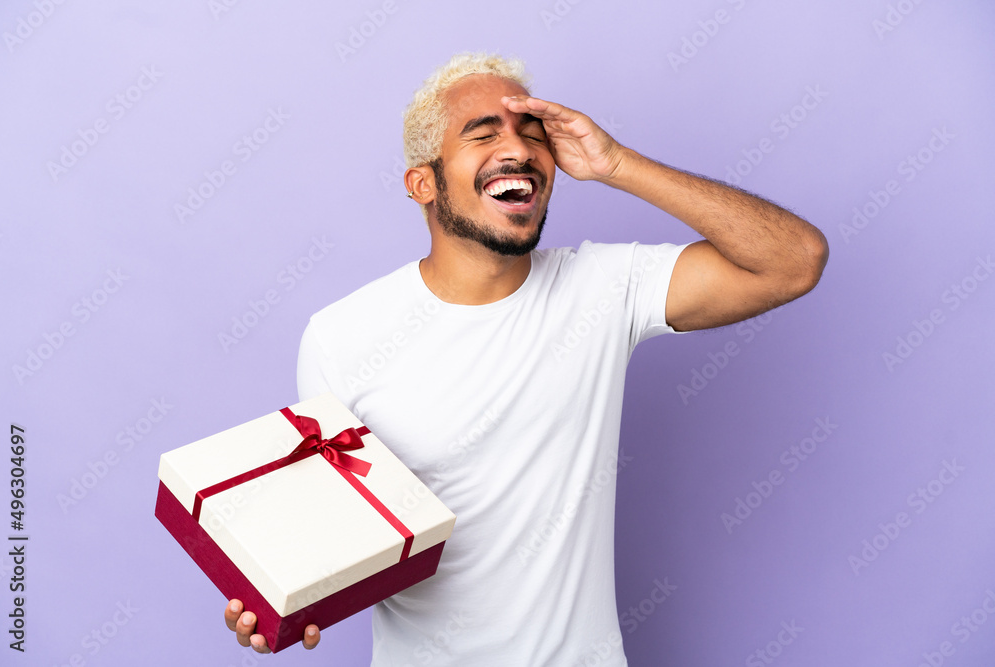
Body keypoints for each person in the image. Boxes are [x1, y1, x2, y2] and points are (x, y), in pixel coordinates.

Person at [225, 52, 828, 664]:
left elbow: (794, 260)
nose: (518, 149)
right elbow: (332, 530)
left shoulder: (602, 288)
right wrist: (278, 601)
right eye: (483, 133)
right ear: (423, 183)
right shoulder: (342, 337)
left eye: (533, 134)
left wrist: (617, 165)